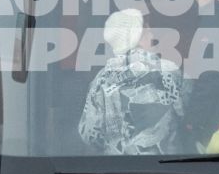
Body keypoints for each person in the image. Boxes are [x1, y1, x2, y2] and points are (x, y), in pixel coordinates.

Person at [78, 8, 191, 155]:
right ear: (137, 36)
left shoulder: (100, 80)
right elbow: (189, 115)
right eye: (147, 28)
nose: (152, 33)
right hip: (165, 169)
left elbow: (88, 135)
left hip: (117, 170)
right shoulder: (168, 71)